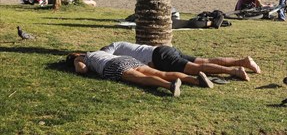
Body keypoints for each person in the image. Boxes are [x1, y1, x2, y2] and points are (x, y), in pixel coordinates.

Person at [66, 51, 205, 97]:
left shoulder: (82, 57)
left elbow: (82, 70)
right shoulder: (98, 52)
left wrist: (76, 63)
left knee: (141, 79)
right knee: (161, 72)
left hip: (113, 66)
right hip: (125, 58)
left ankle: (170, 85)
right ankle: (195, 80)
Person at [100, 41, 261, 81]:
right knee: (203, 60)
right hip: (163, 50)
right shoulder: (119, 45)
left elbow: (106, 58)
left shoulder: (112, 48)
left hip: (159, 56)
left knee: (194, 68)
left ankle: (235, 71)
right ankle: (243, 61)